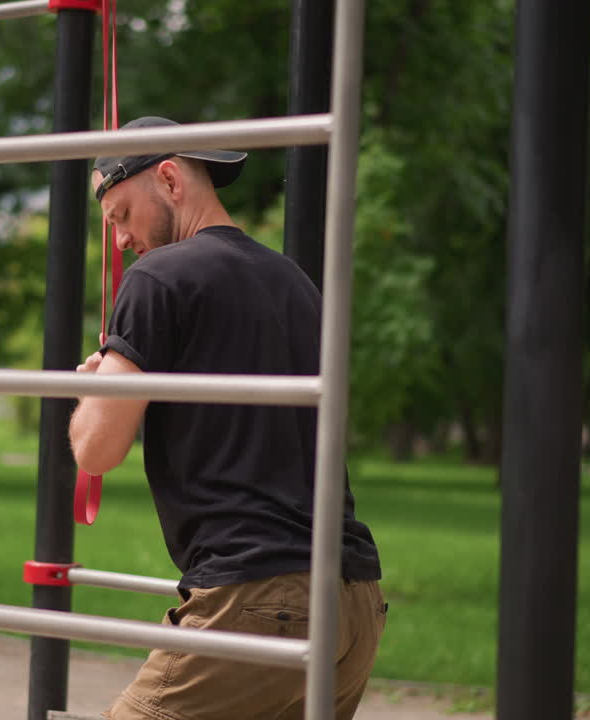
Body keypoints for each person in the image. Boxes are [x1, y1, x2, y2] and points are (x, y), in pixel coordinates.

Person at [68, 116, 386, 720]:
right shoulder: (294, 282)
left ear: (168, 178)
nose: (119, 241)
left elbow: (96, 452)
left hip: (258, 594)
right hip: (354, 600)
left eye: (120, 217)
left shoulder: (157, 277)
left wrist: (92, 396)